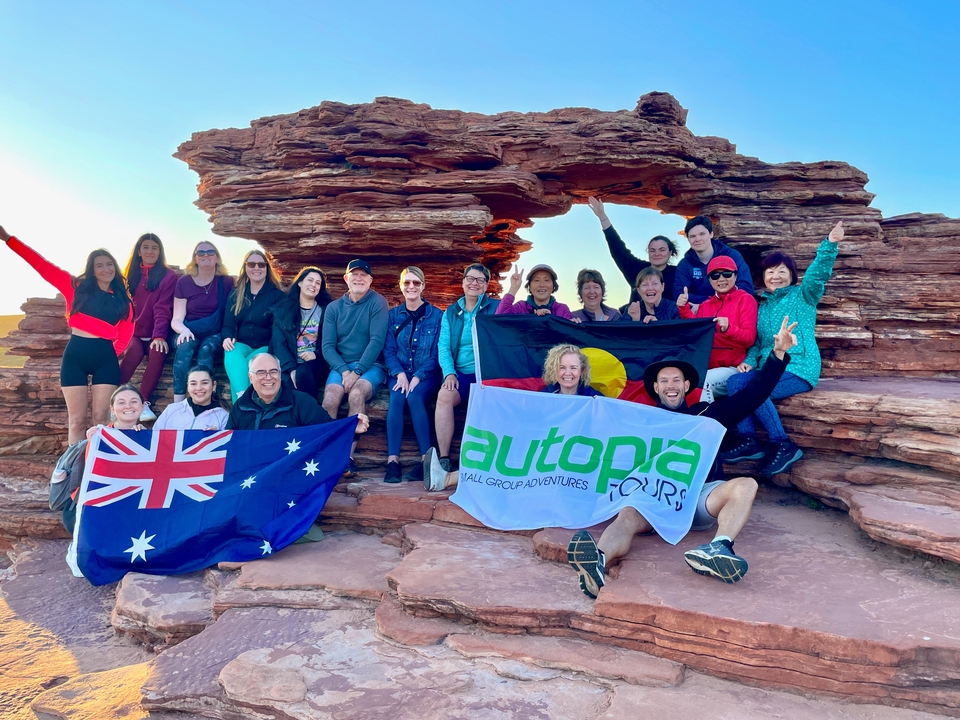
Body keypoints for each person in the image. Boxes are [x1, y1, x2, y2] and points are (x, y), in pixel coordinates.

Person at [567, 316, 799, 597]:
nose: (671, 385)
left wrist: (778, 354)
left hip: (699, 497)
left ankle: (718, 548)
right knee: (627, 513)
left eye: (677, 379)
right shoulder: (643, 420)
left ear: (687, 386)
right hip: (655, 497)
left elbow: (752, 395)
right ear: (656, 388)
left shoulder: (706, 414)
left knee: (746, 485)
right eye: (664, 381)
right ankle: (598, 562)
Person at [721, 221, 844, 476]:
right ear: (763, 277)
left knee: (758, 389)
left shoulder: (804, 295)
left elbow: (818, 274)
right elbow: (758, 344)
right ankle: (749, 441)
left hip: (798, 367)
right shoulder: (762, 307)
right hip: (769, 367)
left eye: (781, 271)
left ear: (792, 275)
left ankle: (782, 443)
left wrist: (829, 244)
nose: (775, 276)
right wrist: (750, 361)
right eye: (770, 272)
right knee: (735, 383)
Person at [2, 227, 133, 445]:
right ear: (92, 270)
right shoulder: (75, 287)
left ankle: (98, 468)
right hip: (76, 356)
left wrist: (109, 353)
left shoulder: (123, 300)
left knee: (101, 420)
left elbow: (126, 336)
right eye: (99, 265)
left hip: (105, 359)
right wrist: (8, 239)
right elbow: (41, 265)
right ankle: (74, 473)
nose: (106, 269)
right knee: (77, 421)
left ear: (116, 268)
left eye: (109, 264)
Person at [422, 342, 603, 492]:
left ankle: (446, 479)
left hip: (573, 459)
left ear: (582, 370)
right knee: (504, 449)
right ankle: (444, 479)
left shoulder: (595, 399)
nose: (568, 373)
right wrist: (490, 393)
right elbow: (526, 418)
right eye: (562, 367)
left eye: (573, 367)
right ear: (554, 370)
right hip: (545, 453)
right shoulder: (545, 394)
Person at [320, 259, 388, 475]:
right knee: (330, 398)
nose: (359, 279)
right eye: (354, 275)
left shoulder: (378, 302)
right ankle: (328, 455)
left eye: (363, 275)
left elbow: (376, 341)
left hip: (371, 365)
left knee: (356, 394)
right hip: (341, 366)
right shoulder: (333, 308)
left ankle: (346, 457)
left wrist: (357, 371)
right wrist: (344, 371)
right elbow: (327, 346)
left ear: (370, 280)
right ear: (346, 278)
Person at [434, 263, 499, 472]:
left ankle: (483, 462)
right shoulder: (451, 312)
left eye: (480, 280)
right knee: (444, 396)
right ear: (463, 282)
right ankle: (444, 458)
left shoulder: (496, 308)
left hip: (487, 374)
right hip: (461, 373)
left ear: (486, 285)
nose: (474, 283)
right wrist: (450, 373)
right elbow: (443, 346)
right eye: (470, 278)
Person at [383, 267, 443, 483]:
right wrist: (399, 373)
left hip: (426, 374)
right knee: (397, 398)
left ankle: (426, 461)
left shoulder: (437, 315)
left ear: (423, 286)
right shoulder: (393, 315)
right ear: (401, 285)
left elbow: (438, 353)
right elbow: (388, 350)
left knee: (415, 397)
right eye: (407, 282)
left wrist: (417, 376)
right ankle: (392, 462)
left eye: (416, 283)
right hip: (399, 372)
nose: (411, 287)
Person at [677, 256, 758, 403]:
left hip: (735, 368)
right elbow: (696, 332)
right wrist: (683, 308)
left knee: (701, 383)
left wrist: (728, 328)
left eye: (726, 274)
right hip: (706, 367)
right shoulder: (705, 305)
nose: (721, 279)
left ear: (735, 275)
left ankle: (708, 424)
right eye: (715, 275)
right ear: (709, 279)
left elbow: (749, 338)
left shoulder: (745, 299)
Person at [227, 353, 370, 432]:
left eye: (273, 371)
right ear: (250, 378)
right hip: (250, 478)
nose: (268, 377)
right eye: (261, 373)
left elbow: (326, 429)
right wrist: (210, 437)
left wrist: (351, 428)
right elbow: (228, 444)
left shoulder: (302, 402)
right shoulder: (240, 407)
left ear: (280, 373)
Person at [118, 233, 177, 422]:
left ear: (160, 251)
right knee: (133, 351)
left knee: (157, 352)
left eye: (154, 247)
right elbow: (122, 307)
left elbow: (163, 308)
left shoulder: (168, 276)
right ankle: (115, 397)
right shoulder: (129, 276)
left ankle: (143, 404)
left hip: (156, 333)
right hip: (133, 332)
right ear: (139, 251)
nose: (150, 251)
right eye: (146, 247)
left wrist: (159, 336)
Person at [170, 241, 234, 403]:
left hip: (215, 333)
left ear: (217, 258)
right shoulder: (184, 282)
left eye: (210, 252)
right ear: (195, 259)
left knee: (206, 349)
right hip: (189, 330)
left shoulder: (226, 282)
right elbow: (176, 319)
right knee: (185, 347)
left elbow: (232, 313)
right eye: (201, 252)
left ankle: (206, 400)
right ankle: (178, 402)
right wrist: (183, 330)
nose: (206, 255)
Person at [587, 197, 680, 302]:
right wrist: (602, 216)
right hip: (636, 317)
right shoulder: (636, 269)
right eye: (652, 250)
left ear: (670, 252)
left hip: (669, 318)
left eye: (662, 250)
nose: (657, 253)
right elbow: (617, 248)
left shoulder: (678, 273)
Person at [222, 249, 285, 401]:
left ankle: (241, 404)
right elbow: (227, 325)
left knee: (239, 370)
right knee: (231, 351)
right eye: (251, 264)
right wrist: (227, 337)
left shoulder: (277, 296)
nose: (256, 268)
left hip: (266, 346)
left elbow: (280, 329)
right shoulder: (236, 294)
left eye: (261, 265)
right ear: (245, 267)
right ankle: (244, 394)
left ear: (266, 268)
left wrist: (271, 348)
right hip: (243, 344)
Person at [271, 266, 334, 402]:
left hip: (317, 364)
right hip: (289, 362)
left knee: (304, 373)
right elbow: (278, 343)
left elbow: (332, 340)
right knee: (287, 386)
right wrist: (291, 369)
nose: (313, 285)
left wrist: (316, 354)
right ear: (299, 283)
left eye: (318, 283)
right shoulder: (283, 310)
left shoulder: (327, 310)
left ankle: (311, 415)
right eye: (310, 280)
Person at [673, 216, 753, 309]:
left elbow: (746, 288)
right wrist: (710, 304)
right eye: (692, 236)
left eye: (702, 234)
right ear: (688, 238)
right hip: (699, 314)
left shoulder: (731, 255)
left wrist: (712, 303)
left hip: (731, 311)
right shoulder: (685, 264)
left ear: (711, 234)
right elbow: (679, 295)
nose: (697, 239)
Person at [153, 365, 229, 431]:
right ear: (188, 387)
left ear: (214, 385)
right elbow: (154, 440)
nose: (198, 388)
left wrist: (217, 436)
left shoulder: (224, 416)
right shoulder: (171, 410)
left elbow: (228, 446)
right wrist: (142, 433)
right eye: (193, 384)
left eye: (204, 383)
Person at [496, 264, 574, 319]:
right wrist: (513, 288)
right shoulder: (521, 307)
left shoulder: (562, 309)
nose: (542, 285)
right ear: (529, 285)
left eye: (546, 280)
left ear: (553, 285)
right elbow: (498, 319)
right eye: (536, 280)